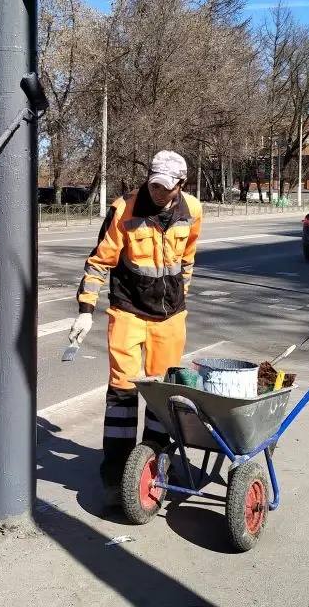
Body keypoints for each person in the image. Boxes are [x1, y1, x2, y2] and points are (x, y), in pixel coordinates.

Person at [66, 150, 202, 507]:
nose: (157, 192)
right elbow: (99, 262)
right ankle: (115, 475)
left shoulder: (192, 210)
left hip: (170, 317)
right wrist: (85, 311)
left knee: (162, 394)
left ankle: (153, 468)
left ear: (181, 184)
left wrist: (181, 295)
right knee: (122, 392)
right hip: (128, 311)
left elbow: (188, 258)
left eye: (165, 187)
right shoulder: (123, 210)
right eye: (153, 184)